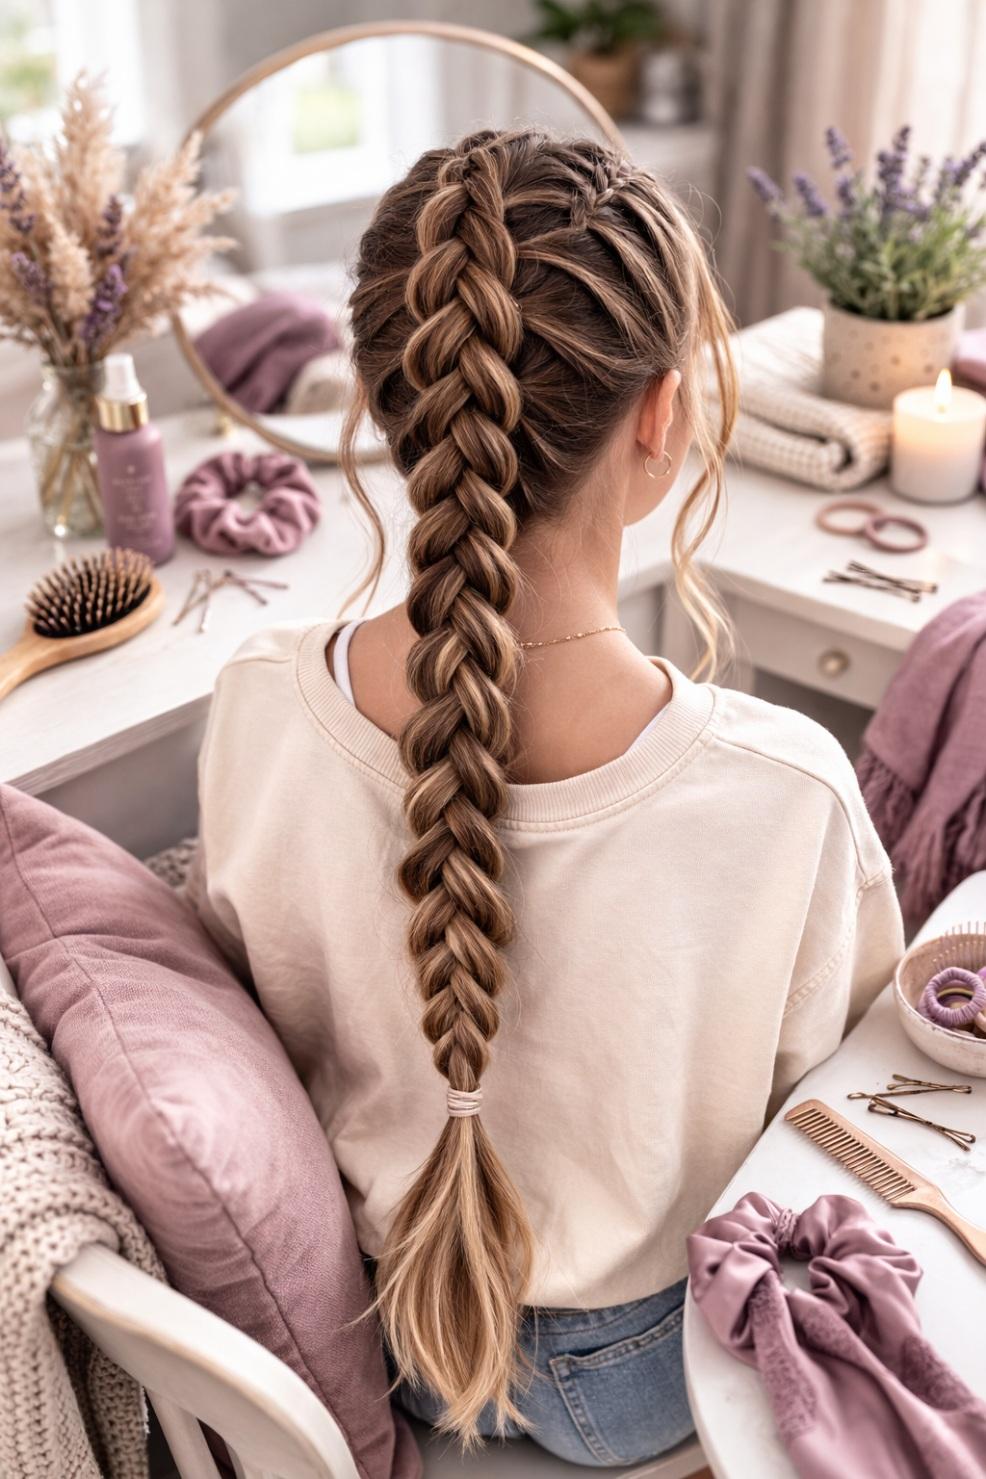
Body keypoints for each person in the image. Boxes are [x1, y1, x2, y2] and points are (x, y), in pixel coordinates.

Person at [186, 128, 904, 1468]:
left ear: (389, 409)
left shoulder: (255, 703)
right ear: (660, 417)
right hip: (651, 1371)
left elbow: (262, 993)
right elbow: (843, 1110)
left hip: (384, 1323)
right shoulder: (782, 787)